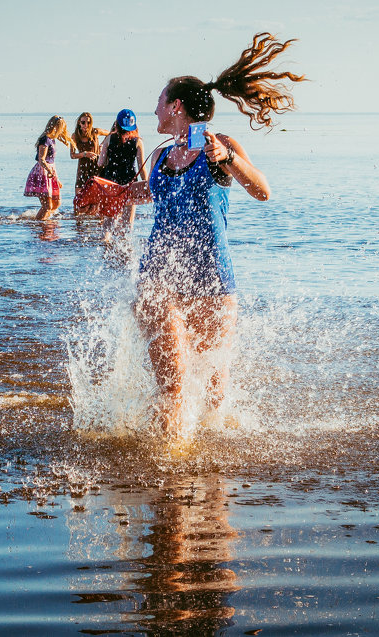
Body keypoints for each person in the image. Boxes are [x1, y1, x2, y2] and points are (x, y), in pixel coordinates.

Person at [127, 32, 303, 436]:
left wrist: (229, 160)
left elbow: (262, 190)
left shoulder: (220, 145)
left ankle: (211, 483)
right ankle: (166, 471)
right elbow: (152, 192)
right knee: (172, 388)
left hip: (213, 280)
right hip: (160, 280)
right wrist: (114, 193)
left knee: (213, 398)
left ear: (176, 106)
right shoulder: (159, 154)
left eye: (159, 100)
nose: (153, 108)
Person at [96, 108, 147, 228]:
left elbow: (100, 163)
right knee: (127, 222)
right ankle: (125, 245)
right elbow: (142, 167)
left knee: (109, 220)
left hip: (111, 183)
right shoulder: (138, 142)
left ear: (117, 124)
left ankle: (106, 244)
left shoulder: (109, 139)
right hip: (130, 184)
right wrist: (147, 184)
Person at [23, 115, 75, 220]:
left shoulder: (52, 139)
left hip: (50, 172)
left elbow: (52, 163)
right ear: (56, 127)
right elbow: (41, 159)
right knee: (47, 206)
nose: (62, 131)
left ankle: (45, 221)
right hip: (42, 173)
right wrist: (49, 171)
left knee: (57, 203)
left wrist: (57, 179)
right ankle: (39, 224)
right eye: (62, 128)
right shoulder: (45, 139)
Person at [70, 112, 108, 216]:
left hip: (96, 167)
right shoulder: (74, 136)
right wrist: (84, 154)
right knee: (78, 199)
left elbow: (111, 134)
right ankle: (77, 223)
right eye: (83, 122)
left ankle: (98, 223)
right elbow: (72, 155)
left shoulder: (95, 132)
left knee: (97, 199)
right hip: (83, 167)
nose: (85, 125)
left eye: (88, 122)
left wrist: (102, 145)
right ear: (79, 123)